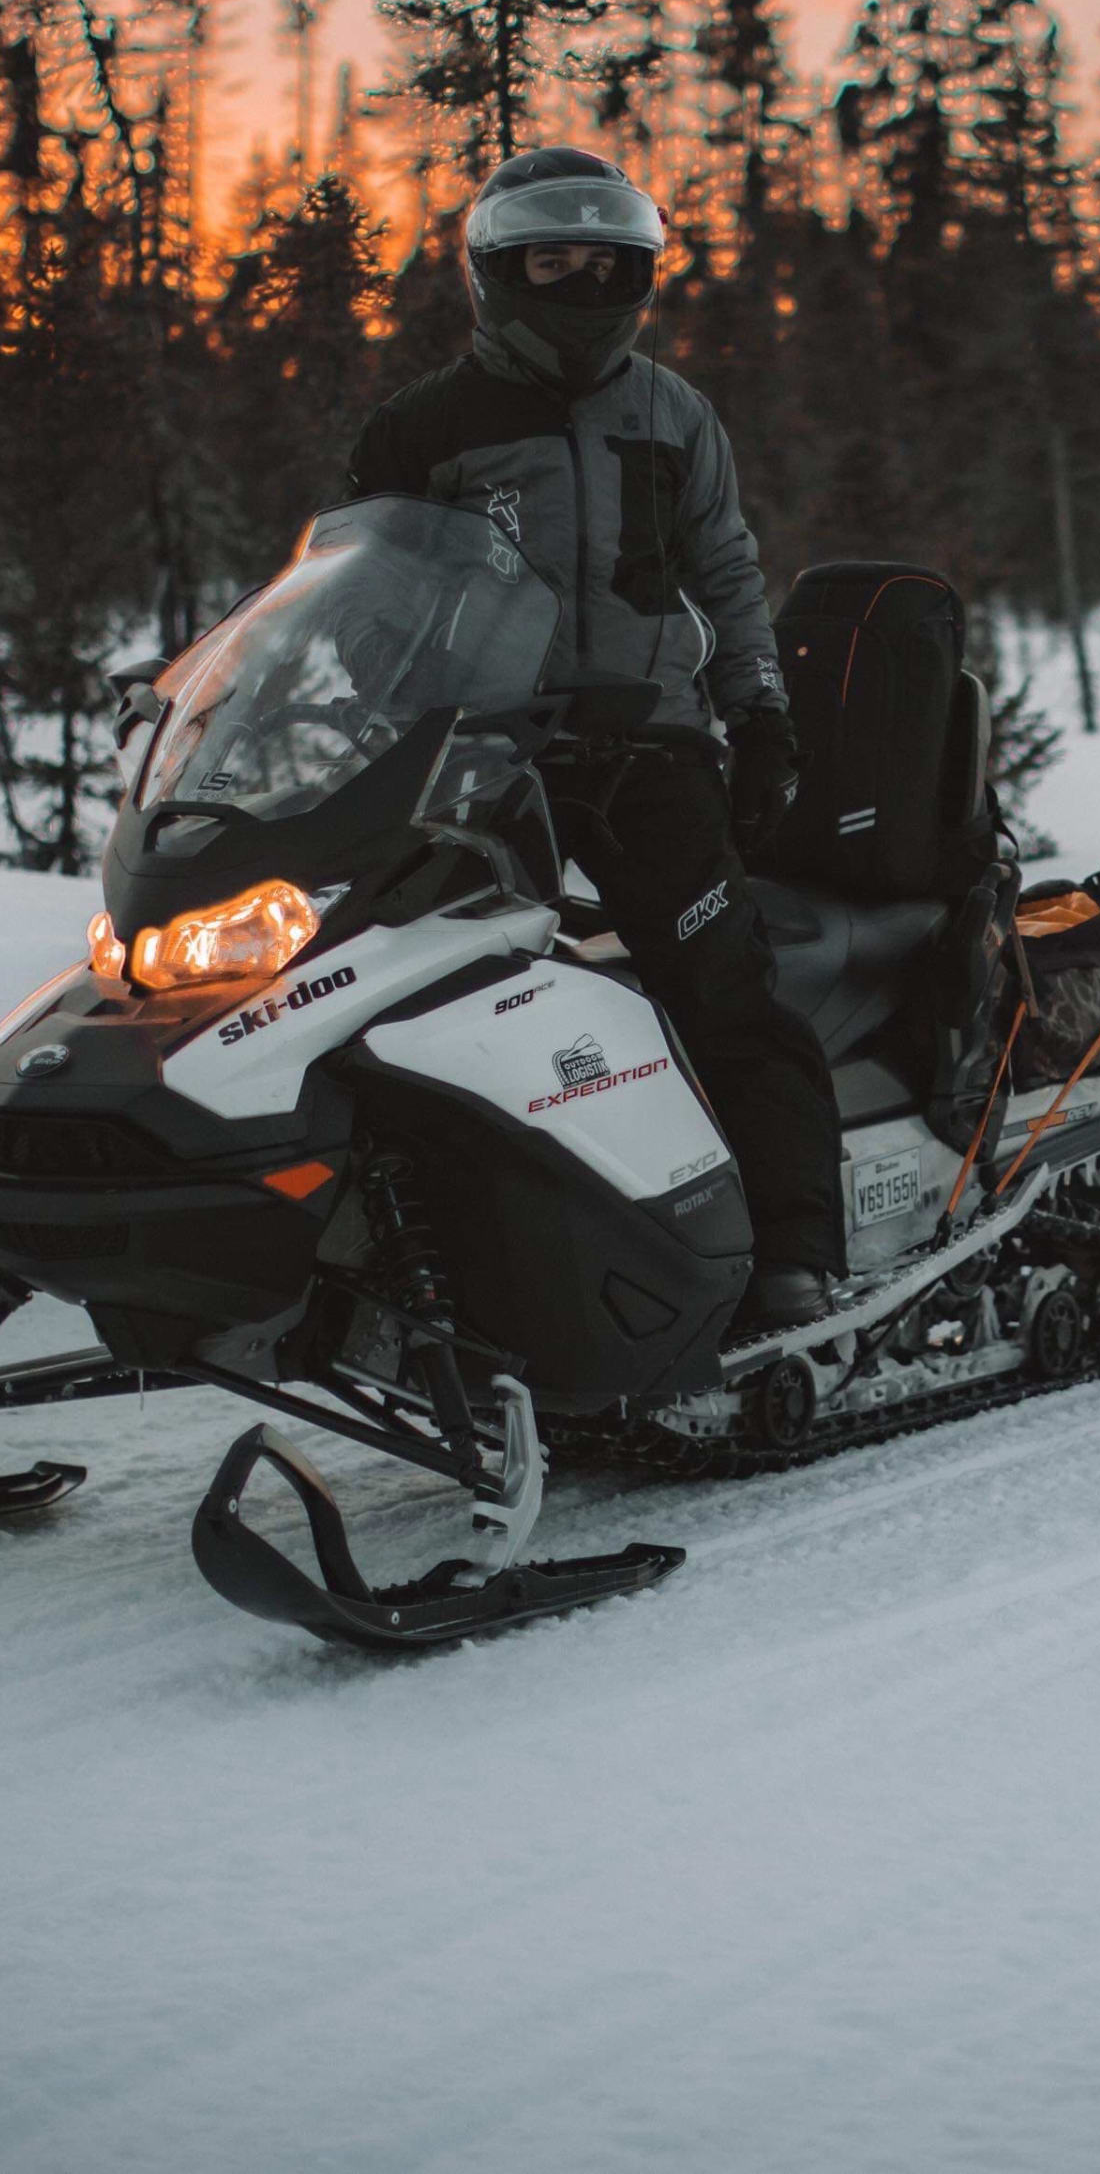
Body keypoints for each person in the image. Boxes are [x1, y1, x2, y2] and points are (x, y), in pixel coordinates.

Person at [347, 146, 842, 1331]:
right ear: (497, 274)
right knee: (415, 994)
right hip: (477, 762)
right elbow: (366, 593)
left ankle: (794, 1252)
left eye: (603, 263)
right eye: (550, 263)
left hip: (651, 752)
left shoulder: (675, 416)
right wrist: (347, 719)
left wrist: (760, 709)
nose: (579, 285)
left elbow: (725, 572)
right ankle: (436, 1250)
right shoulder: (425, 427)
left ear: (639, 272)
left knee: (721, 990)